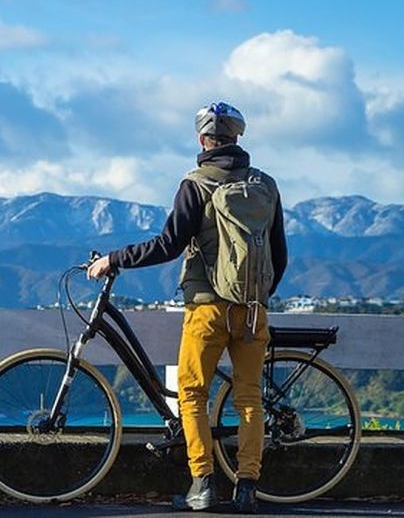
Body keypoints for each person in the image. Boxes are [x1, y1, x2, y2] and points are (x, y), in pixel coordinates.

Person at [87, 102, 287, 513]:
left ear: (202, 140)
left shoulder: (196, 184)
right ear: (238, 138)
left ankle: (203, 484)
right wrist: (258, 298)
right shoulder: (265, 185)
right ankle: (247, 487)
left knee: (193, 394)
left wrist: (114, 258)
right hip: (252, 310)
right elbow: (280, 255)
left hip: (206, 307)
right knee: (250, 398)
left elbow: (168, 245)